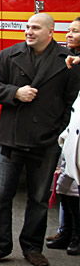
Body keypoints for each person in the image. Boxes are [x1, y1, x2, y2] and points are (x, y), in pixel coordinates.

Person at [0, 13, 80, 266]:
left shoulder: (66, 60)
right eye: (27, 27)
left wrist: (58, 132)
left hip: (45, 142)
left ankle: (33, 247)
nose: (29, 31)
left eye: (35, 27)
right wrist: (15, 92)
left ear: (50, 31)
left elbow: (71, 102)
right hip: (11, 139)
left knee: (39, 199)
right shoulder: (9, 55)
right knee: (0, 196)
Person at [49, 16, 80, 255]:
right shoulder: (66, 58)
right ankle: (66, 231)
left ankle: (76, 235)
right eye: (68, 30)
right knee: (65, 186)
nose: (69, 35)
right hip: (69, 131)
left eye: (75, 31)